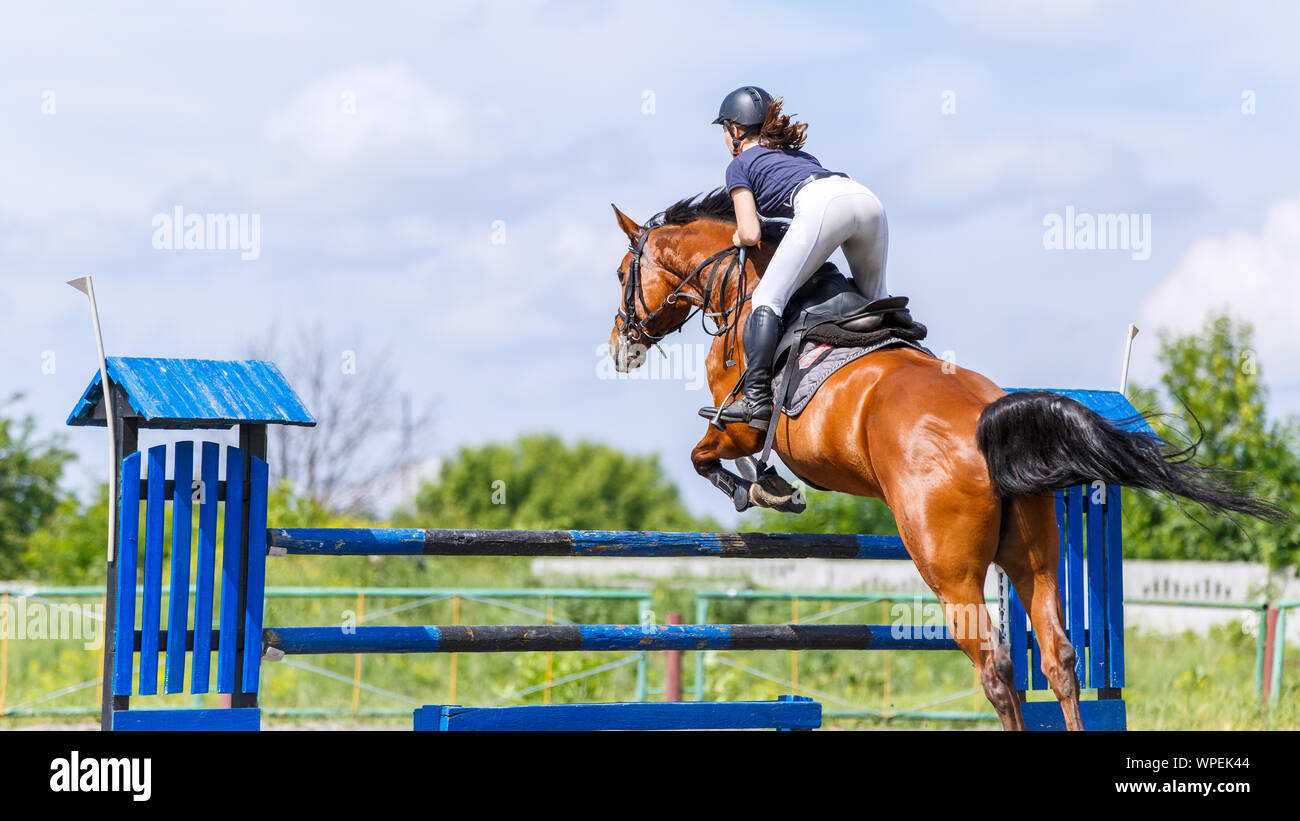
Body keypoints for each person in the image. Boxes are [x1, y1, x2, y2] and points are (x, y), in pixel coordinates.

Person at [712, 86, 890, 430]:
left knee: (767, 297)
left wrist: (735, 235)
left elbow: (750, 233)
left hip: (823, 206)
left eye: (724, 129)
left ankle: (756, 400)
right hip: (866, 199)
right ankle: (907, 353)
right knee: (876, 300)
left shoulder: (738, 166)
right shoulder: (799, 156)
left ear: (735, 130)